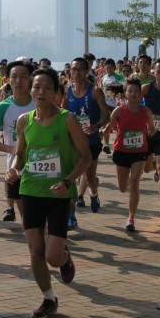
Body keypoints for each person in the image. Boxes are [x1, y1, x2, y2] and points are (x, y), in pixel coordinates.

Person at [7, 67, 91, 318]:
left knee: (52, 257)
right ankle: (48, 299)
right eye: (36, 87)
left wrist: (68, 181)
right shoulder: (24, 121)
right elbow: (20, 155)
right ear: (30, 90)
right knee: (35, 252)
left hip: (58, 194)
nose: (40, 92)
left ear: (56, 93)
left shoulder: (67, 119)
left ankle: (64, 258)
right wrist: (14, 169)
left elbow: (86, 156)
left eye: (47, 88)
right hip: (30, 191)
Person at [103, 78, 155, 231]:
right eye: (130, 91)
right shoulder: (119, 110)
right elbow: (109, 126)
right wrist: (103, 132)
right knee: (122, 187)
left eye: (136, 91)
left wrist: (151, 132)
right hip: (121, 152)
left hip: (140, 151)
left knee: (135, 183)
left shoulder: (146, 112)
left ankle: (131, 218)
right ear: (125, 93)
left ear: (140, 94)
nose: (133, 94)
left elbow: (151, 128)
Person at [0, 59, 35, 222]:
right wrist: (11, 149)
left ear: (30, 78)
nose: (19, 81)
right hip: (16, 169)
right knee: (27, 217)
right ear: (7, 80)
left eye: (23, 76)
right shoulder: (2, 108)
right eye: (14, 76)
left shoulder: (39, 104)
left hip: (40, 166)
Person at [65, 57, 109, 229]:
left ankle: (94, 193)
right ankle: (71, 216)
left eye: (79, 69)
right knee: (69, 178)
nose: (75, 73)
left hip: (91, 142)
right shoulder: (67, 91)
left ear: (86, 71)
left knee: (90, 178)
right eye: (73, 69)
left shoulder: (95, 91)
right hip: (71, 143)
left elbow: (106, 115)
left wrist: (95, 126)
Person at [142, 58, 160, 185]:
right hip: (149, 133)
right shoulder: (147, 88)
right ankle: (156, 169)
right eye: (159, 71)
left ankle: (159, 170)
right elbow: (132, 103)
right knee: (146, 168)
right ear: (154, 72)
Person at [101, 59, 125, 155]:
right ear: (105, 68)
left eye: (111, 67)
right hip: (106, 104)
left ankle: (120, 143)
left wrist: (117, 86)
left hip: (116, 105)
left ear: (114, 68)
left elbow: (125, 87)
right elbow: (102, 89)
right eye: (107, 67)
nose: (109, 69)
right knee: (106, 124)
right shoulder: (103, 77)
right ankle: (106, 145)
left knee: (115, 127)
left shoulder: (119, 76)